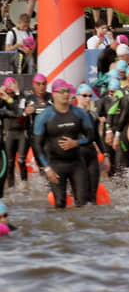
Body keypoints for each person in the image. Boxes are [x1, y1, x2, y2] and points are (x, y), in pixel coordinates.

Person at [32, 79, 94, 208]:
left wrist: (77, 142)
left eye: (67, 91)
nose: (66, 94)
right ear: (54, 94)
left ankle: (82, 228)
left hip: (77, 164)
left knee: (83, 204)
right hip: (56, 164)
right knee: (60, 204)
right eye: (61, 91)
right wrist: (47, 168)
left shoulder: (79, 113)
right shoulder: (44, 116)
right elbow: (37, 145)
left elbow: (91, 136)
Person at [75, 83, 107, 203]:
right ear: (77, 97)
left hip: (91, 155)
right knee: (81, 194)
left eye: (90, 96)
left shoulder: (93, 115)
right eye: (84, 96)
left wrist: (106, 155)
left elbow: (97, 138)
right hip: (77, 155)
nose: (87, 99)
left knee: (93, 193)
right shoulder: (72, 114)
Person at [0, 78, 27, 188]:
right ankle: (10, 186)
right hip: (10, 133)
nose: (9, 94)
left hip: (21, 132)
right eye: (8, 92)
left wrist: (13, 95)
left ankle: (24, 185)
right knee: (10, 163)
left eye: (11, 92)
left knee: (21, 160)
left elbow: (18, 113)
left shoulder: (21, 95)